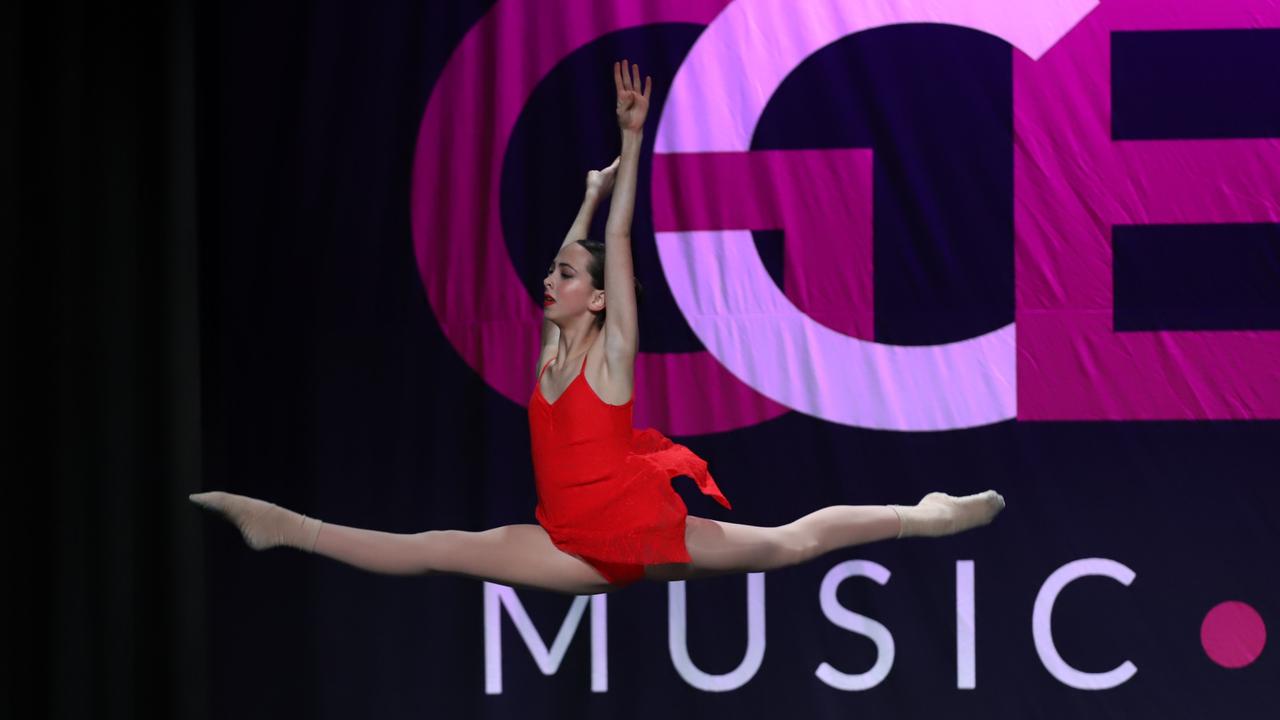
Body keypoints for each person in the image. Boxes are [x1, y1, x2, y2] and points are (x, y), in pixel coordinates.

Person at [191, 60, 1004, 597]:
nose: (551, 281)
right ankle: (286, 528)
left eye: (567, 278)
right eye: (554, 274)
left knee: (789, 544)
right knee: (438, 545)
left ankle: (922, 514)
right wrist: (583, 196)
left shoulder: (612, 357)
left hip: (636, 535)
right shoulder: (551, 349)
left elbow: (614, 246)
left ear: (603, 300)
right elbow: (574, 253)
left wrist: (631, 142)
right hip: (569, 543)